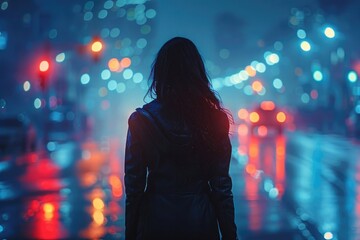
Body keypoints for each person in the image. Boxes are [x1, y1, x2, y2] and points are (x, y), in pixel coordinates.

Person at [124, 37, 237, 240]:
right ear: (197, 73)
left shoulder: (141, 121)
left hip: (156, 221)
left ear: (160, 73)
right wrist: (230, 235)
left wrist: (131, 233)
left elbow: (134, 188)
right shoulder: (214, 120)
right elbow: (221, 187)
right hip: (200, 220)